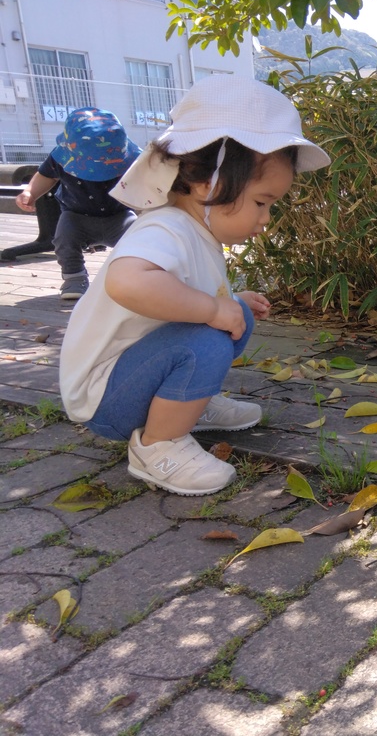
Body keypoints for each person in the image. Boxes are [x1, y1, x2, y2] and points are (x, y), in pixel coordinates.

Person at [59, 75, 330, 496]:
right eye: (262, 202)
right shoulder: (166, 227)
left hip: (132, 376)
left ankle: (190, 405)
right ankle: (157, 446)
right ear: (211, 184)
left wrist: (230, 303)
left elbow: (180, 298)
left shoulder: (193, 230)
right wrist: (210, 310)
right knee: (207, 336)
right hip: (104, 398)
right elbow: (127, 282)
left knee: (232, 315)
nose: (266, 219)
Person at [15, 108, 140, 299]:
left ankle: (136, 277)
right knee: (64, 238)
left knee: (139, 239)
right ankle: (75, 278)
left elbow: (149, 182)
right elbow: (45, 176)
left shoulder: (133, 159)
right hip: (77, 216)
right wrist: (30, 192)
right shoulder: (61, 158)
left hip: (120, 216)